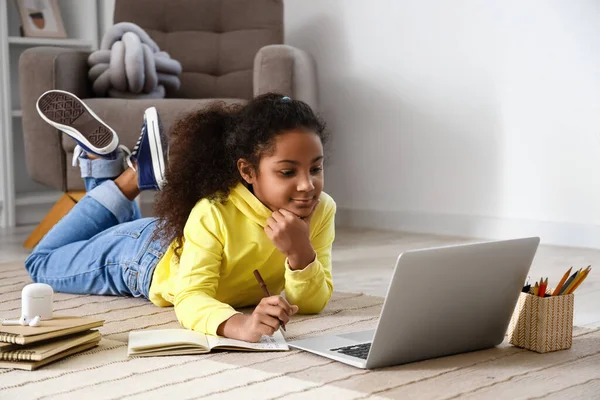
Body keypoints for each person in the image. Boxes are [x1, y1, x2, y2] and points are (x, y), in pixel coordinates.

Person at [25, 90, 336, 342]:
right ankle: (128, 178)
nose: (307, 185)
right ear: (248, 171)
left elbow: (311, 304)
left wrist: (301, 254)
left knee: (105, 233)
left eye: (316, 168)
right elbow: (190, 297)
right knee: (40, 263)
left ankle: (103, 160)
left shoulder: (321, 209)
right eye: (287, 171)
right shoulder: (213, 214)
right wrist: (240, 325)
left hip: (176, 236)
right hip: (143, 258)